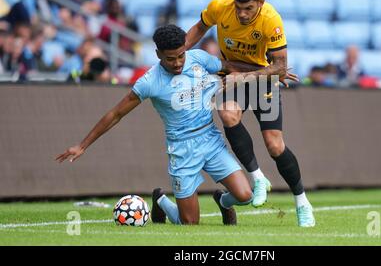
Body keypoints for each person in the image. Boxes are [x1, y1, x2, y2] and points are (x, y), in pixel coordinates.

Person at [55, 24, 264, 226]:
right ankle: (162, 201)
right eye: (170, 58)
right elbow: (116, 114)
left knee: (245, 196)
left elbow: (228, 67)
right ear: (158, 54)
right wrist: (82, 145)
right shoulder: (149, 82)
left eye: (181, 55)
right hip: (182, 149)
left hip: (210, 139)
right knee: (189, 223)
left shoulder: (198, 58)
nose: (178, 63)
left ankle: (223, 201)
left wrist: (268, 71)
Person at [185, 0, 315, 227]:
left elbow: (279, 68)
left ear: (261, 2)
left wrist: (243, 76)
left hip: (261, 79)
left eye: (249, 8)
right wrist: (181, 50)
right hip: (235, 76)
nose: (243, 14)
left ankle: (302, 202)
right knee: (227, 114)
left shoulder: (271, 19)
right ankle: (258, 179)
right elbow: (199, 28)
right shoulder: (219, 8)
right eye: (239, 7)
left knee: (275, 146)